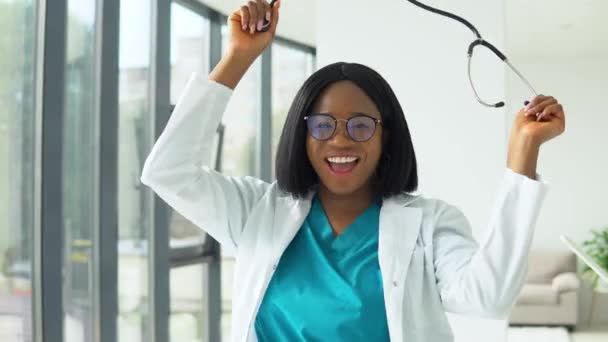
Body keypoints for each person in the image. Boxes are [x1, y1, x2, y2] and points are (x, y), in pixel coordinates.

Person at [141, 0, 566, 341]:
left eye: (361, 125)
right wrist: (237, 58)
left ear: (386, 136)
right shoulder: (257, 212)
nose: (340, 141)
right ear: (302, 136)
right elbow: (168, 171)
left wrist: (523, 153)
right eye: (323, 125)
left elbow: (488, 298)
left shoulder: (429, 225)